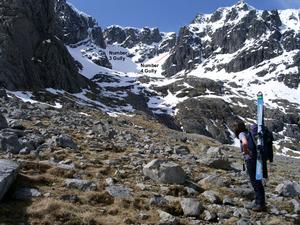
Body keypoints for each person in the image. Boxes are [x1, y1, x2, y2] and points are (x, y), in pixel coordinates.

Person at [233, 121, 266, 212]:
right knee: (258, 181)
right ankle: (259, 202)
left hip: (250, 159)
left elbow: (244, 143)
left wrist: (246, 152)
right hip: (256, 158)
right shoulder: (249, 132)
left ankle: (260, 204)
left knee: (254, 181)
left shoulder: (241, 134)